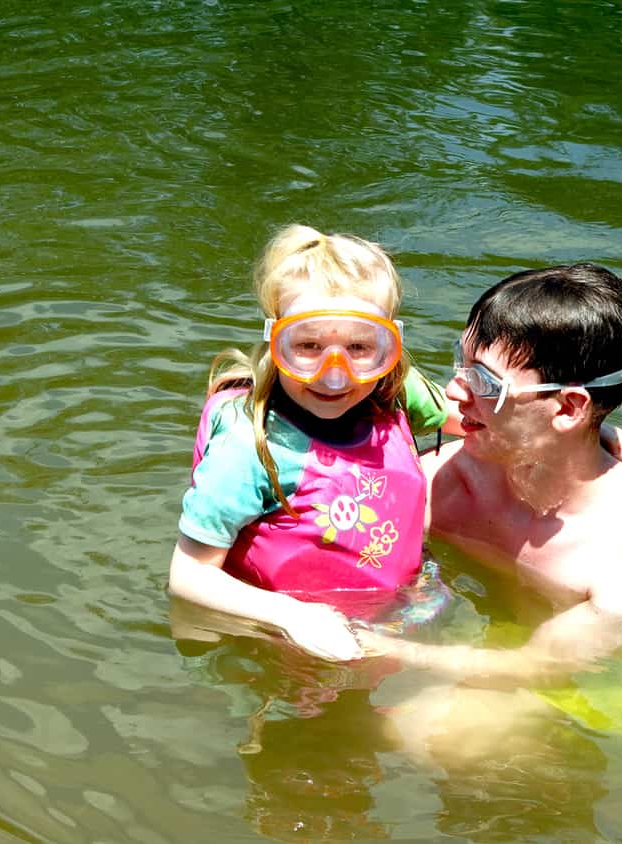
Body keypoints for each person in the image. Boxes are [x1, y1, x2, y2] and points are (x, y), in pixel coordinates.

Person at [359, 263, 622, 684]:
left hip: (590, 682)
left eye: (484, 382)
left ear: (570, 408)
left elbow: (538, 667)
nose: (453, 391)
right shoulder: (442, 479)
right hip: (484, 623)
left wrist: (379, 647)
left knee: (426, 734)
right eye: (459, 362)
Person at [168, 224, 452, 663]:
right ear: (275, 339)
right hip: (288, 636)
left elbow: (474, 421)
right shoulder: (250, 448)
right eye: (308, 345)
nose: (334, 373)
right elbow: (187, 576)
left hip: (400, 608)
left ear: (387, 347)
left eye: (359, 346)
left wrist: (595, 429)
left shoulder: (391, 387)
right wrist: (292, 616)